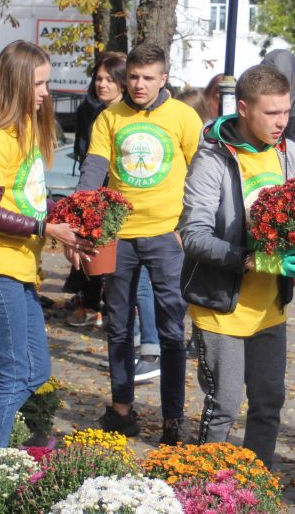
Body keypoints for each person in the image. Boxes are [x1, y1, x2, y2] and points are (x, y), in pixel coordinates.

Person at [73, 42, 203, 444]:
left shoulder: (183, 116)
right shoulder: (109, 117)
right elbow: (94, 169)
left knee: (170, 330)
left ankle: (172, 420)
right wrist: (81, 220)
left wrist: (189, 226)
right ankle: (121, 410)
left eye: (148, 78)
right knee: (117, 325)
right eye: (133, 77)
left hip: (166, 236)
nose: (139, 84)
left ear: (164, 79)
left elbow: (202, 173)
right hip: (119, 236)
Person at [179, 65, 295, 469]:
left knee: (268, 404)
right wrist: (250, 259)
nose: (281, 122)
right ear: (244, 108)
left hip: (270, 309)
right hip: (221, 307)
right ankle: (204, 488)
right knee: (224, 406)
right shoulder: (213, 158)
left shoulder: (288, 153)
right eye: (271, 113)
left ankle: (256, 486)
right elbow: (193, 235)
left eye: (285, 111)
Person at [0, 40, 79, 454]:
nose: (45, 92)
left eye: (46, 83)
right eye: (38, 84)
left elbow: (29, 199)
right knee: (11, 377)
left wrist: (69, 221)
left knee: (35, 371)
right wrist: (47, 228)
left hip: (19, 270)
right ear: (15, 84)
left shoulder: (23, 130)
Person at [67, 52, 127, 329]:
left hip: (117, 193)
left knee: (114, 258)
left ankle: (115, 312)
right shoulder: (92, 110)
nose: (102, 84)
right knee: (91, 249)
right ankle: (91, 305)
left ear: (122, 82)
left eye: (109, 79)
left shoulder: (127, 115)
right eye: (99, 79)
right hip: (94, 189)